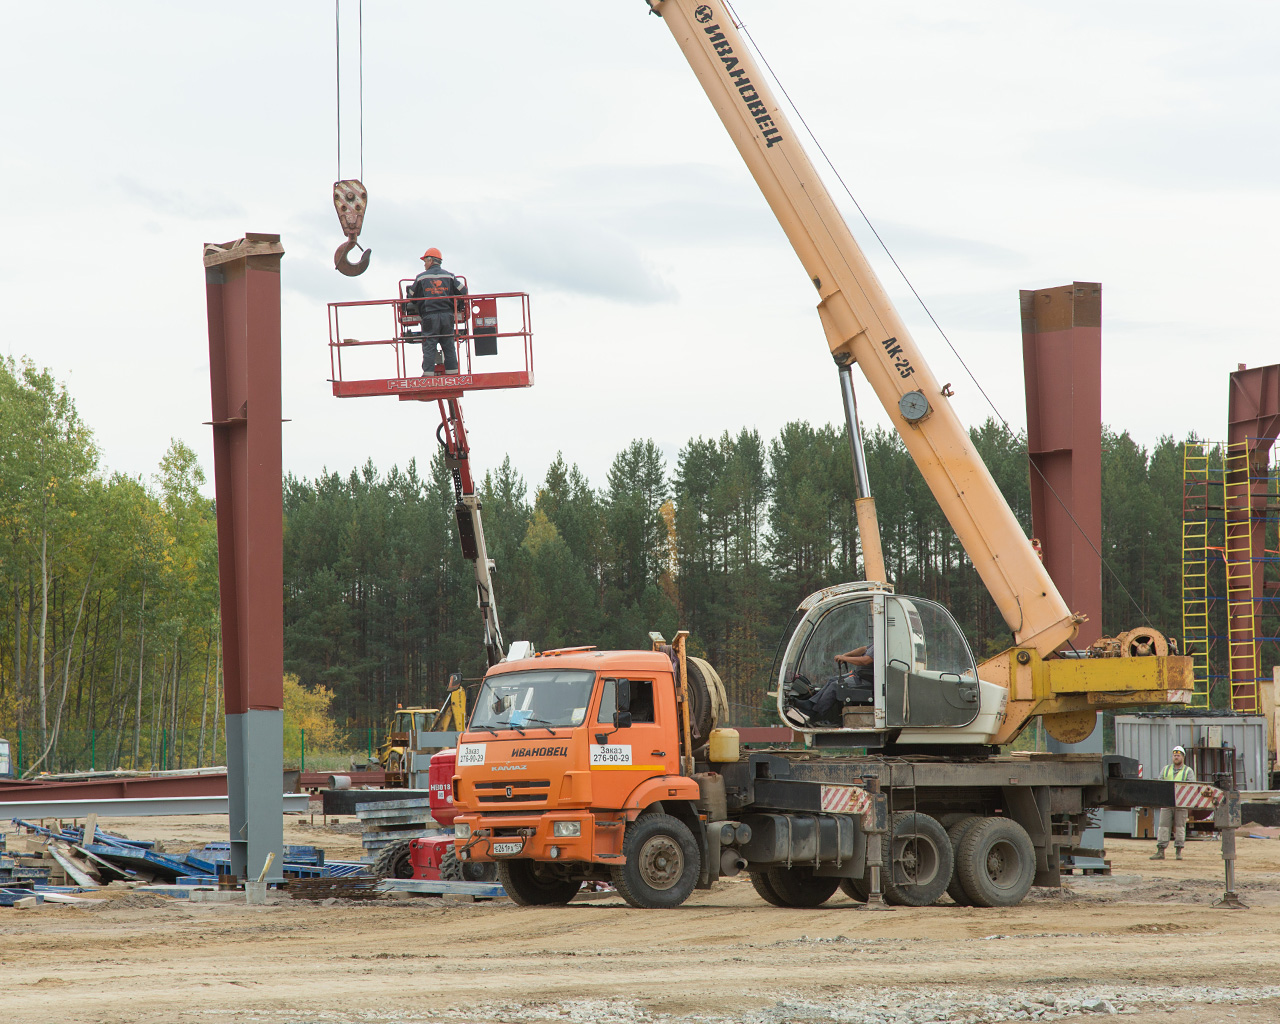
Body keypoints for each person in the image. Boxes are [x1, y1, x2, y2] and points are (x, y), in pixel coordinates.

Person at [784, 643, 875, 728]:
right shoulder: (876, 642)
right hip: (860, 675)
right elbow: (864, 649)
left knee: (836, 686)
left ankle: (816, 714)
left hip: (867, 680)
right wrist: (846, 655)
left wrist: (845, 659)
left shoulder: (880, 643)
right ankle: (810, 703)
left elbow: (865, 661)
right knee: (833, 680)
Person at [408, 247, 467, 375]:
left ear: (430, 260)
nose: (424, 264)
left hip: (430, 316)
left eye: (425, 261)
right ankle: (453, 374)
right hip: (447, 316)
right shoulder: (449, 276)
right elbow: (464, 291)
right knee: (448, 344)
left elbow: (410, 297)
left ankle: (428, 375)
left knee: (429, 345)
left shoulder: (421, 278)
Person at [1150, 744, 1195, 860]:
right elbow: (1159, 783)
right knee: (1163, 826)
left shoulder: (1188, 771)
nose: (1176, 757)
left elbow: (1192, 786)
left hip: (1181, 804)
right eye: (1174, 755)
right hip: (1167, 802)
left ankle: (1178, 851)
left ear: (1183, 757)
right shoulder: (1166, 769)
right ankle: (1161, 851)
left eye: (1178, 755)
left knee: (1180, 827)